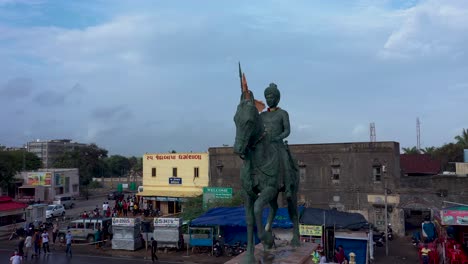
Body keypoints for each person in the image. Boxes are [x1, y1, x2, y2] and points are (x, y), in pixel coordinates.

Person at [259, 83, 295, 198]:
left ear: (277, 99)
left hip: (277, 144)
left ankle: (288, 187)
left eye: (272, 97)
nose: (269, 100)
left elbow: (287, 130)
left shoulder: (283, 113)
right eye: (267, 97)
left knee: (285, 160)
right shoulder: (262, 115)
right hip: (264, 145)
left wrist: (277, 138)